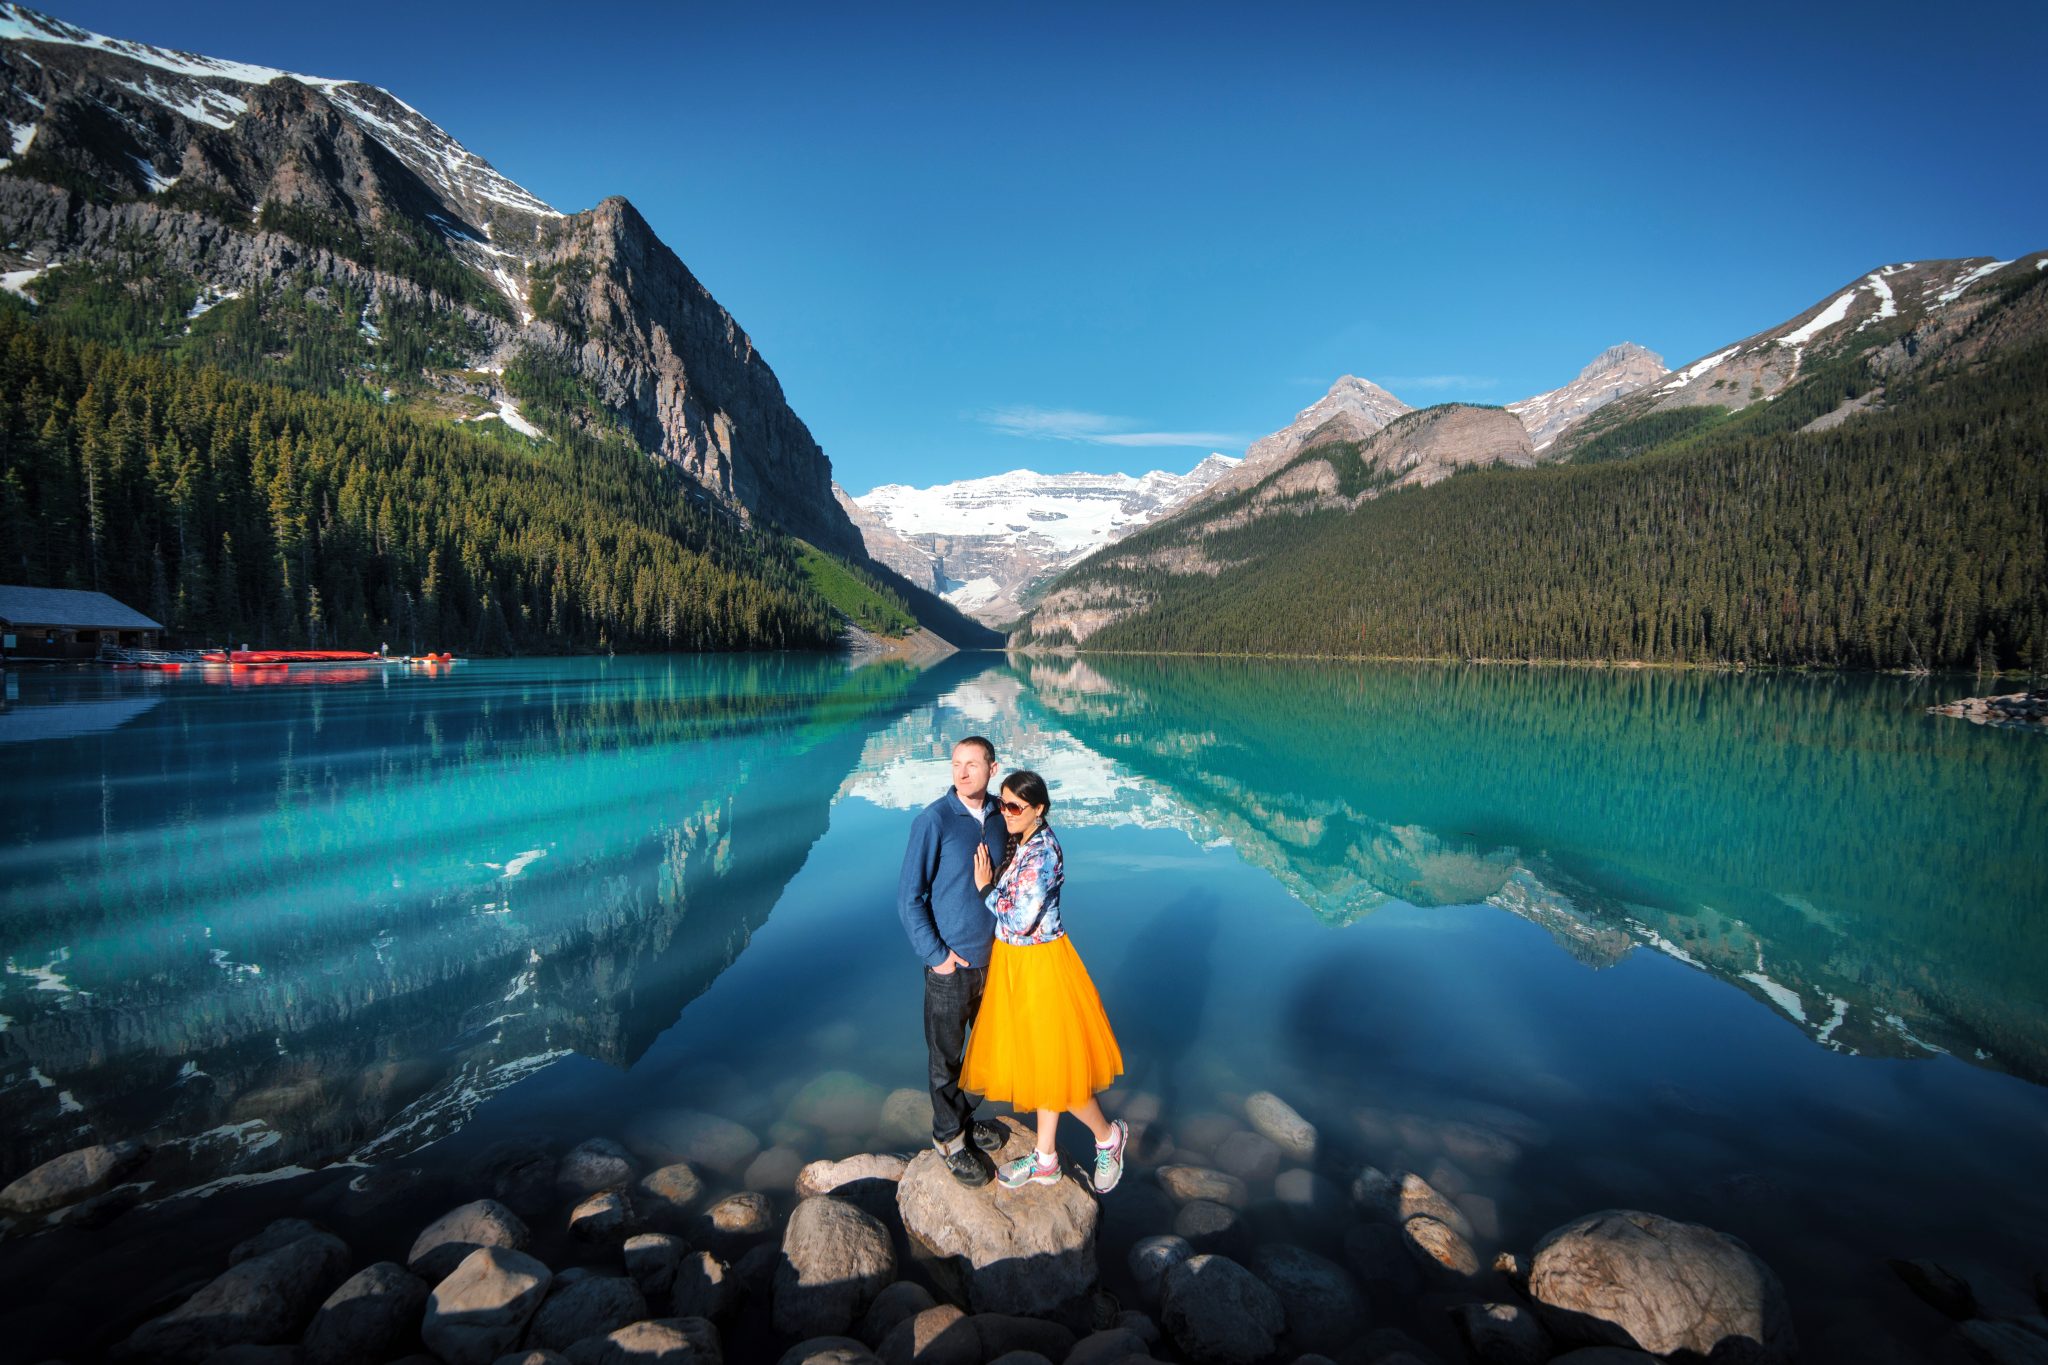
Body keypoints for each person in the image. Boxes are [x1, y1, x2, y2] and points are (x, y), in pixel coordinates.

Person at [960, 769, 1128, 1193]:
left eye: (1016, 806)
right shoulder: (1023, 843)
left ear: (1039, 809)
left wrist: (985, 889)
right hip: (1017, 963)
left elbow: (1020, 917)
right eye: (1003, 803)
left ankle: (1108, 1137)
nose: (1007, 812)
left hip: (1042, 966)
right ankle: (1046, 1159)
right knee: (1041, 1064)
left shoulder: (1044, 853)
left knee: (1061, 1072)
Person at [897, 736, 1010, 1186]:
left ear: (992, 768)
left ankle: (962, 1120)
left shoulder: (1003, 815)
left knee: (989, 1053)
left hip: (996, 962)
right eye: (956, 765)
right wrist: (937, 956)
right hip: (952, 966)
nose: (962, 773)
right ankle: (947, 1138)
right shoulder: (934, 820)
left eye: (973, 765)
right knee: (945, 1057)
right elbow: (909, 899)